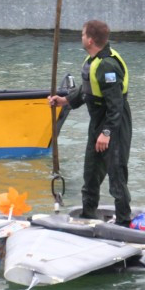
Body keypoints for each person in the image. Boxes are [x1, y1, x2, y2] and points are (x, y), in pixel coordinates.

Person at [47, 20, 133, 227]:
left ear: (91, 39)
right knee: (91, 173)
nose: (81, 37)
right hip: (97, 123)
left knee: (116, 175)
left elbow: (116, 105)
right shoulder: (91, 61)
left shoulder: (108, 66)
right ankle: (87, 215)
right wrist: (65, 100)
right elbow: (87, 90)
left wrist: (106, 133)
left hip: (115, 125)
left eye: (83, 34)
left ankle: (124, 222)